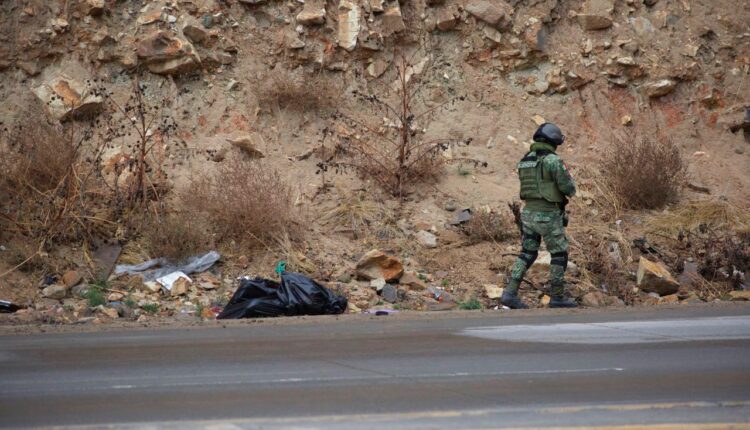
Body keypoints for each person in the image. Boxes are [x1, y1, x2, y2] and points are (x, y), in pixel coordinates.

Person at [501, 123, 578, 309]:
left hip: (528, 214)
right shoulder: (553, 160)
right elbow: (569, 188)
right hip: (548, 215)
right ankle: (557, 297)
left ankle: (509, 293)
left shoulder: (525, 160)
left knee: (527, 253)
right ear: (553, 141)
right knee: (559, 254)